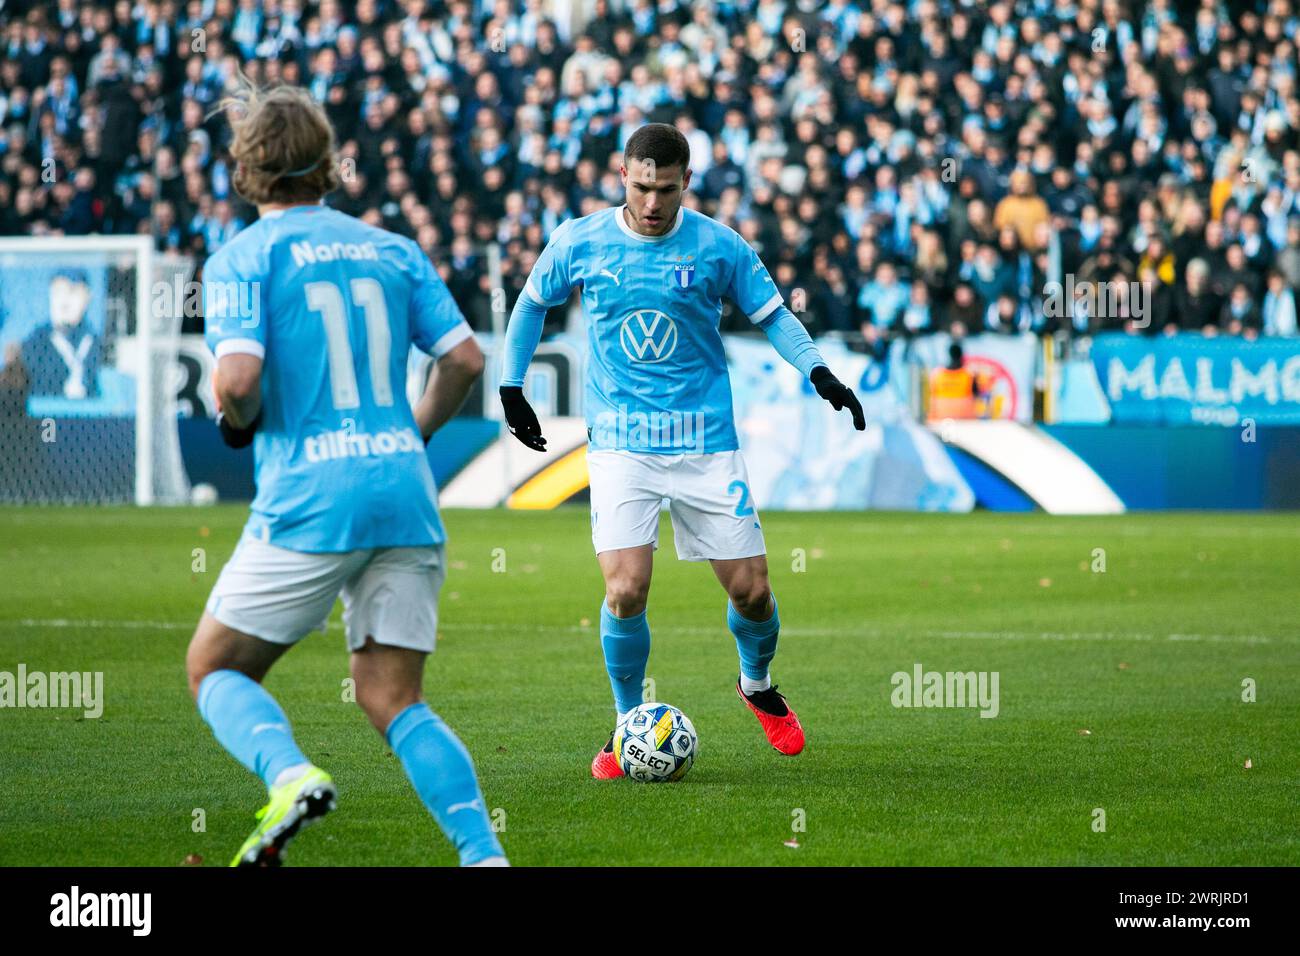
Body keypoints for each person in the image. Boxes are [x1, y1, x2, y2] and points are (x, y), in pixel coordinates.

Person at [185, 83, 506, 867]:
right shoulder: (391, 247)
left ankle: (289, 775)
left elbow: (235, 382)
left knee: (214, 667)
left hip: (312, 496)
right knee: (394, 698)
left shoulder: (243, 258)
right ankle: (484, 858)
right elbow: (465, 358)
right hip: (402, 488)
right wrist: (410, 433)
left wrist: (237, 421)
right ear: (326, 164)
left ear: (248, 169)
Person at [496, 123, 865, 778]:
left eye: (665, 189)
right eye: (641, 187)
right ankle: (625, 721)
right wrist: (511, 386)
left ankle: (756, 683)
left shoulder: (719, 247)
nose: (652, 203)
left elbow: (774, 314)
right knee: (625, 589)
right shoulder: (579, 241)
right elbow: (529, 305)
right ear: (623, 176)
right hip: (621, 445)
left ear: (686, 182)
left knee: (752, 592)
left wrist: (819, 372)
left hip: (704, 442)